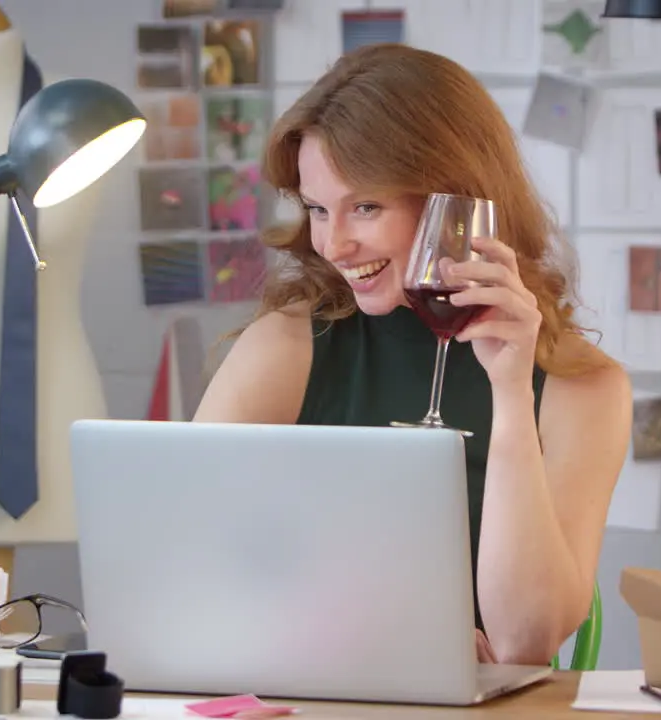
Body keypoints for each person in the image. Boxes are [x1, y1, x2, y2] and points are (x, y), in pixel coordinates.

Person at [193, 43, 631, 666]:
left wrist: (509, 394)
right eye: (318, 209)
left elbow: (525, 641)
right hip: (304, 689)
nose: (334, 244)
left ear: (456, 205)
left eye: (366, 206)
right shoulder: (285, 347)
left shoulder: (583, 389)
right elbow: (190, 559)